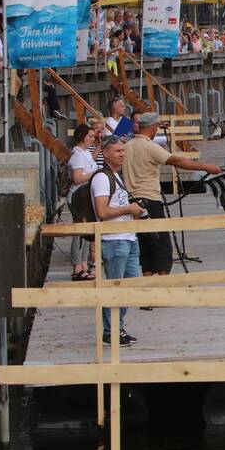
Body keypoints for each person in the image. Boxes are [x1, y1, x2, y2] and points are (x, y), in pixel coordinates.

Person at [123, 113, 222, 278]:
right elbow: (177, 161)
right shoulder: (150, 147)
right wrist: (206, 167)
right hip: (150, 202)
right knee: (163, 248)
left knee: (146, 247)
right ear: (153, 127)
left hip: (132, 203)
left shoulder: (127, 146)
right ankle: (163, 290)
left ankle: (147, 290)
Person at [91, 135, 145, 346]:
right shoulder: (102, 178)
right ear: (106, 154)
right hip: (114, 240)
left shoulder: (116, 176)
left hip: (128, 238)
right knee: (114, 288)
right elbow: (102, 211)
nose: (122, 154)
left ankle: (117, 326)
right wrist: (128, 209)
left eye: (123, 151)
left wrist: (134, 211)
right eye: (118, 151)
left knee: (132, 286)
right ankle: (110, 331)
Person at [67, 124, 100, 280]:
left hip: (86, 197)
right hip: (78, 198)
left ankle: (84, 265)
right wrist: (96, 173)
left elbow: (90, 159)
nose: (92, 140)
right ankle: (77, 267)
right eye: (90, 137)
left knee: (87, 232)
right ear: (82, 137)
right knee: (79, 233)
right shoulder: (77, 155)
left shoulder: (85, 152)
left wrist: (99, 147)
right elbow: (77, 178)